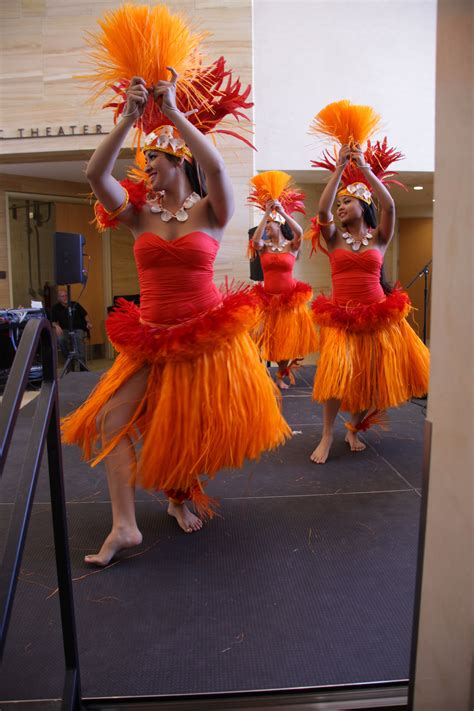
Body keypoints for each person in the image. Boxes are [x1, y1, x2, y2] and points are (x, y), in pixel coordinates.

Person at [61, 70, 291, 566]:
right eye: (144, 161)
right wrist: (127, 120)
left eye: (154, 160)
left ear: (178, 161)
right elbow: (95, 175)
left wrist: (173, 116)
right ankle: (125, 526)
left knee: (190, 431)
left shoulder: (212, 210)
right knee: (110, 419)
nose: (145, 169)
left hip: (206, 337)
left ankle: (179, 494)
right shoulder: (137, 214)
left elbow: (216, 168)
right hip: (151, 337)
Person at [308, 141, 430, 463]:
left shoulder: (379, 237)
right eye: (340, 203)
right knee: (335, 380)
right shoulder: (333, 237)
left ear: (363, 206)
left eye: (347, 202)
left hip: (376, 316)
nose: (340, 207)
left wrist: (363, 169)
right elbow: (322, 210)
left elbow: (389, 205)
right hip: (342, 319)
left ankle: (353, 427)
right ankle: (325, 436)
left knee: (366, 377)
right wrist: (338, 170)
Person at [251, 187, 318, 388]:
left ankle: (281, 374)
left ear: (279, 225)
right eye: (266, 224)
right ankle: (267, 373)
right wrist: (265, 214)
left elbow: (299, 232)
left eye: (270, 224)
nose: (267, 228)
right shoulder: (263, 247)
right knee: (272, 340)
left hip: (290, 300)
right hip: (269, 300)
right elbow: (255, 239)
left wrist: (280, 212)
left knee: (288, 341)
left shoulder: (292, 246)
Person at [51, 288, 92, 369]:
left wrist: (88, 322)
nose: (65, 298)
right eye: (62, 296)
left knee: (78, 337)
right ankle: (69, 361)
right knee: (60, 339)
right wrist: (56, 326)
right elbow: (52, 321)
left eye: (66, 296)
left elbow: (85, 315)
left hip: (78, 327)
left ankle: (82, 365)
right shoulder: (56, 308)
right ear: (59, 298)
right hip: (66, 329)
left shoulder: (75, 304)